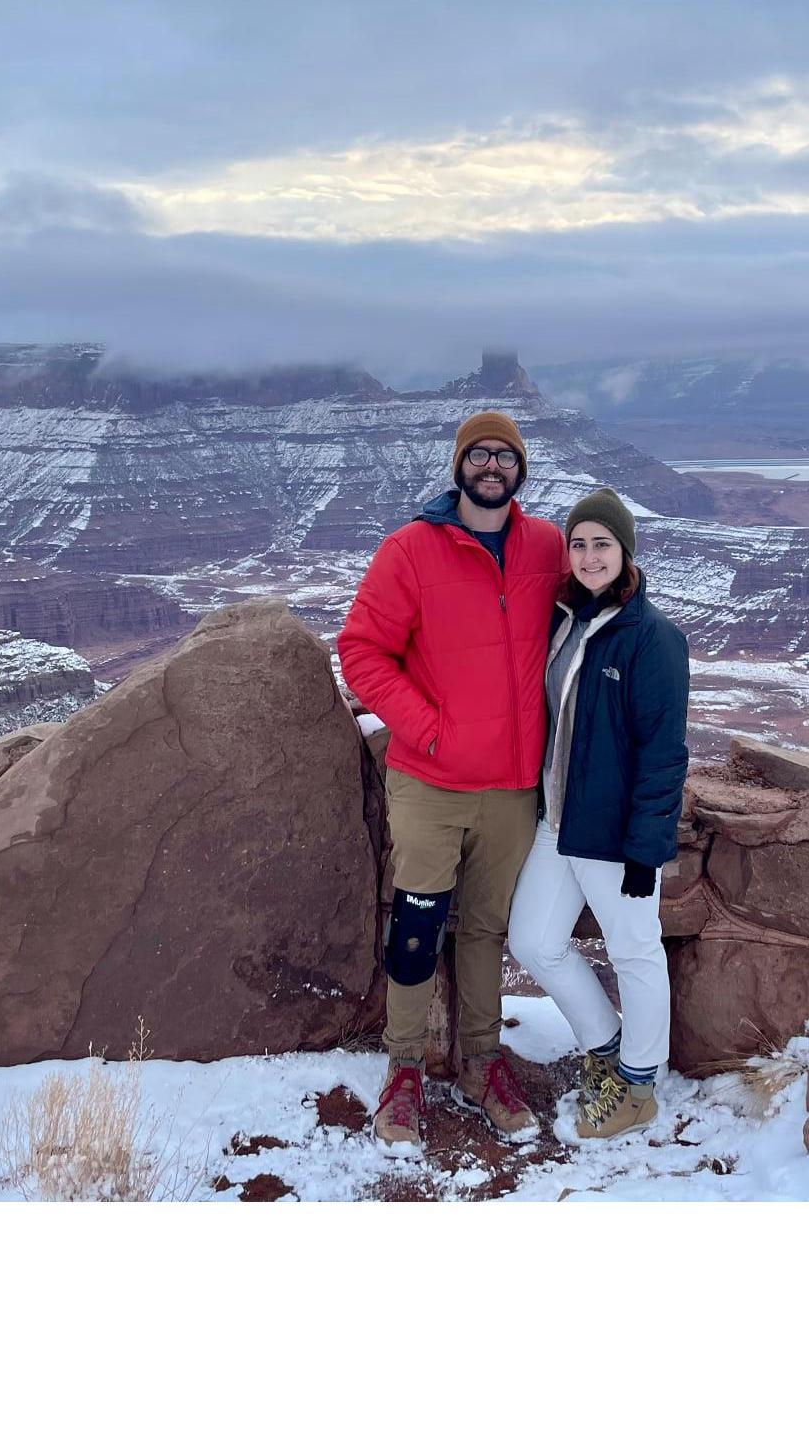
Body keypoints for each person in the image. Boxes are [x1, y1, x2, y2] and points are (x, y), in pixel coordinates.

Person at [336, 408, 567, 1153]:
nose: (492, 466)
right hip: (431, 785)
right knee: (416, 927)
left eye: (505, 455)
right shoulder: (410, 550)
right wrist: (430, 730)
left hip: (511, 791)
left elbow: (591, 605)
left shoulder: (546, 547)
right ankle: (404, 1070)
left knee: (485, 932)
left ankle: (480, 1064)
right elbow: (362, 651)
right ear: (459, 467)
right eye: (479, 455)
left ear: (520, 469)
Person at [507, 487, 689, 1140]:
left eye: (601, 544)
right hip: (557, 825)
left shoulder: (653, 638)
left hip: (613, 837)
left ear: (625, 553)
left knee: (636, 950)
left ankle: (639, 1087)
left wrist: (647, 848)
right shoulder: (568, 622)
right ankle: (605, 1045)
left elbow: (663, 753)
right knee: (533, 939)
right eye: (578, 544)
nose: (588, 556)